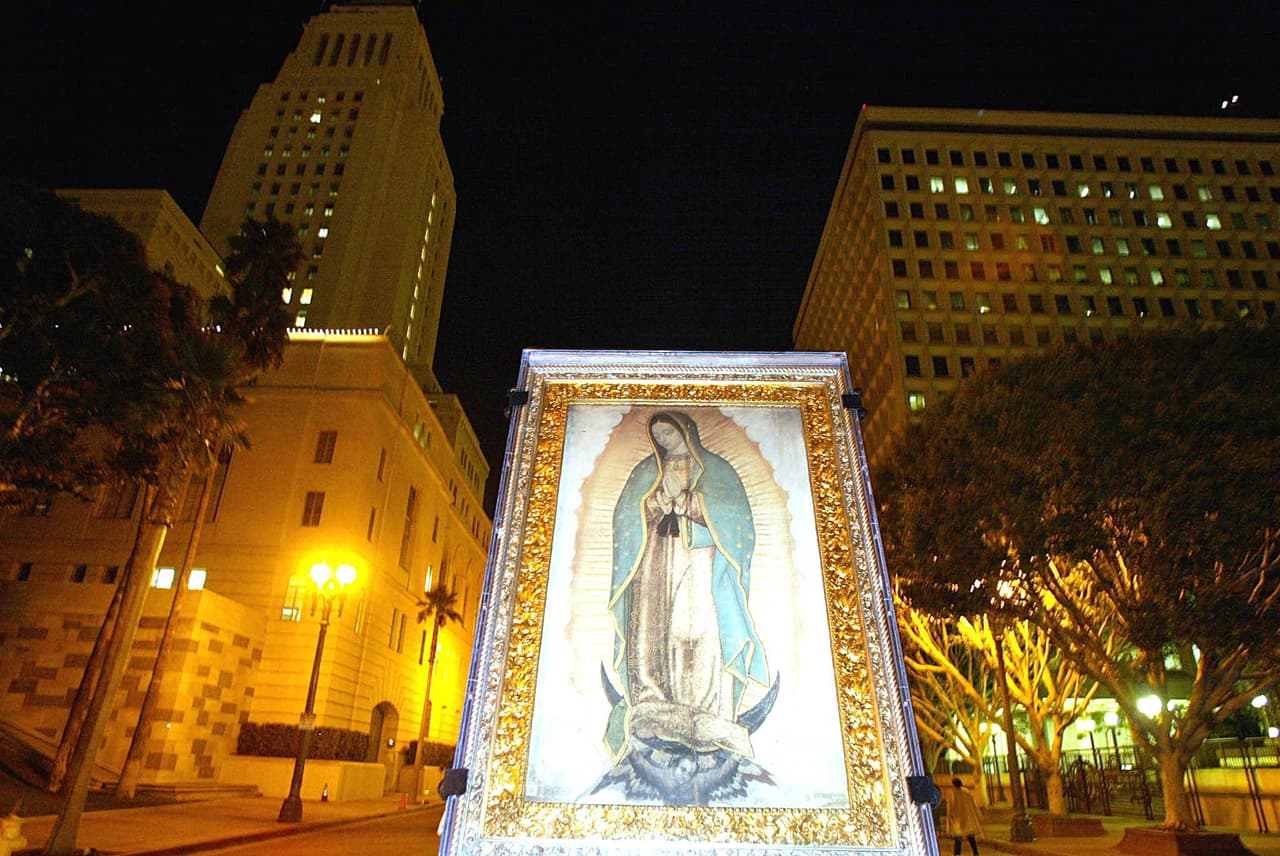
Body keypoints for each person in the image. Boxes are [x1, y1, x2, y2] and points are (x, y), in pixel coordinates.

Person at [603, 411, 770, 765]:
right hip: (655, 560)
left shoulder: (716, 470)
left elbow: (737, 518)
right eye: (659, 435)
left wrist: (692, 503)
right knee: (654, 629)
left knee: (699, 630)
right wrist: (652, 505)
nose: (664, 439)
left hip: (700, 559)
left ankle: (706, 709)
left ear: (686, 431)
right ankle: (652, 700)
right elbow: (625, 516)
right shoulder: (646, 472)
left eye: (669, 432)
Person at [944, 777, 982, 856]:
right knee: (970, 836)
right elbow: (973, 805)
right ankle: (975, 852)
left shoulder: (953, 794)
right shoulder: (967, 792)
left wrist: (950, 819)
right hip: (967, 818)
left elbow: (951, 807)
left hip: (958, 819)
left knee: (958, 838)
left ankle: (957, 854)